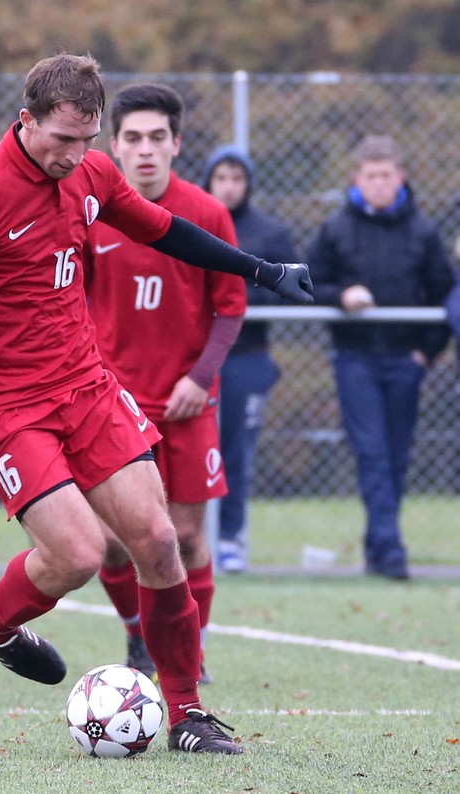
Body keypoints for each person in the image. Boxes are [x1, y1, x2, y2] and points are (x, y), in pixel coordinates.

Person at [0, 53, 312, 755]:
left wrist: (263, 270)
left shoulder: (92, 173)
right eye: (62, 139)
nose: (76, 156)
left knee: (160, 542)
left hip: (87, 386)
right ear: (26, 119)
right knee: (79, 555)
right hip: (8, 406)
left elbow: (164, 230)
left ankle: (187, 713)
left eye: (87, 140)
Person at [82, 84, 247, 686]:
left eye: (158, 138)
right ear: (115, 146)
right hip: (113, 404)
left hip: (186, 402)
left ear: (176, 144)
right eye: (133, 139)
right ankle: (137, 636)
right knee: (110, 544)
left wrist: (200, 378)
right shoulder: (92, 213)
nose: (146, 150)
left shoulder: (206, 214)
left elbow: (230, 307)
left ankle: (189, 652)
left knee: (184, 537)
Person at [307, 134, 453, 581]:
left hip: (404, 360)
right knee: (371, 453)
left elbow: (446, 294)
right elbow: (308, 280)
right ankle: (391, 554)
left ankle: (378, 545)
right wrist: (341, 296)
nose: (378, 183)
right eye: (370, 175)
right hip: (355, 358)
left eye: (386, 175)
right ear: (357, 178)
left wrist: (425, 354)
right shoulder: (335, 229)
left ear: (400, 177)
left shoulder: (423, 231)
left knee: (395, 456)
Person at [203, 145, 297, 575]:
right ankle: (185, 537)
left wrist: (238, 291)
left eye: (237, 178)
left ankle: (229, 537)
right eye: (221, 177)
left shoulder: (270, 232)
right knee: (188, 450)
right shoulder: (192, 222)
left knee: (235, 451)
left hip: (247, 356)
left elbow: (290, 285)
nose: (229, 186)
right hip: (198, 357)